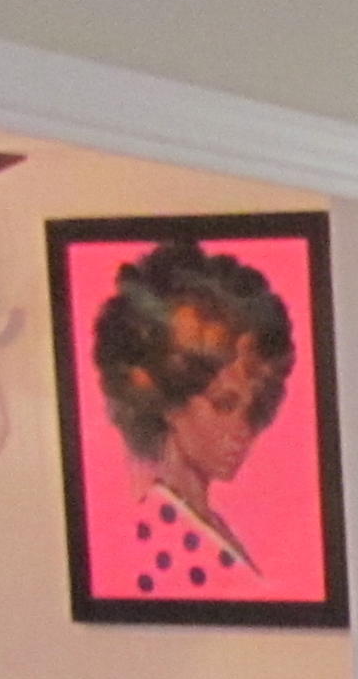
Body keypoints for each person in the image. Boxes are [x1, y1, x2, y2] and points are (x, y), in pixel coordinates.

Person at [89, 237, 294, 595]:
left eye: (255, 408)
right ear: (168, 401)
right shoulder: (162, 536)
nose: (244, 430)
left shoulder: (204, 523)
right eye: (224, 404)